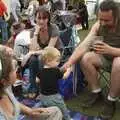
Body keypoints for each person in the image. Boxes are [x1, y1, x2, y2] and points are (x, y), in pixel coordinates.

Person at [62, 0, 120, 119]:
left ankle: (111, 100)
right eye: (100, 19)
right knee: (86, 57)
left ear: (117, 16)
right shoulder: (98, 24)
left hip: (118, 61)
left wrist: (112, 50)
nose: (102, 23)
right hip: (105, 58)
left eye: (107, 20)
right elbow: (84, 45)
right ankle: (96, 92)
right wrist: (69, 63)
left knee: (118, 62)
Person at [0, 45, 63, 120]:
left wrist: (30, 111)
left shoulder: (6, 88)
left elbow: (14, 104)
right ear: (3, 81)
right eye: (14, 68)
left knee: (55, 111)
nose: (17, 70)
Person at [21, 6, 62, 97]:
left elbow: (49, 51)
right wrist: (36, 32)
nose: (41, 21)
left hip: (55, 53)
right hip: (39, 53)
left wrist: (34, 52)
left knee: (40, 58)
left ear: (48, 19)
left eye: (44, 18)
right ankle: (33, 87)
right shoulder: (33, 31)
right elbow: (32, 49)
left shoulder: (53, 28)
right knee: (32, 60)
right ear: (35, 18)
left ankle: (43, 88)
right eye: (39, 18)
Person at [36, 47, 72, 120]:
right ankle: (67, 118)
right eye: (57, 61)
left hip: (43, 96)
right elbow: (64, 77)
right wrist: (68, 70)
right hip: (54, 97)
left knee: (47, 108)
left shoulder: (41, 71)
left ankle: (47, 116)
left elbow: (37, 80)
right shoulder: (55, 71)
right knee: (62, 107)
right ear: (48, 61)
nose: (58, 63)